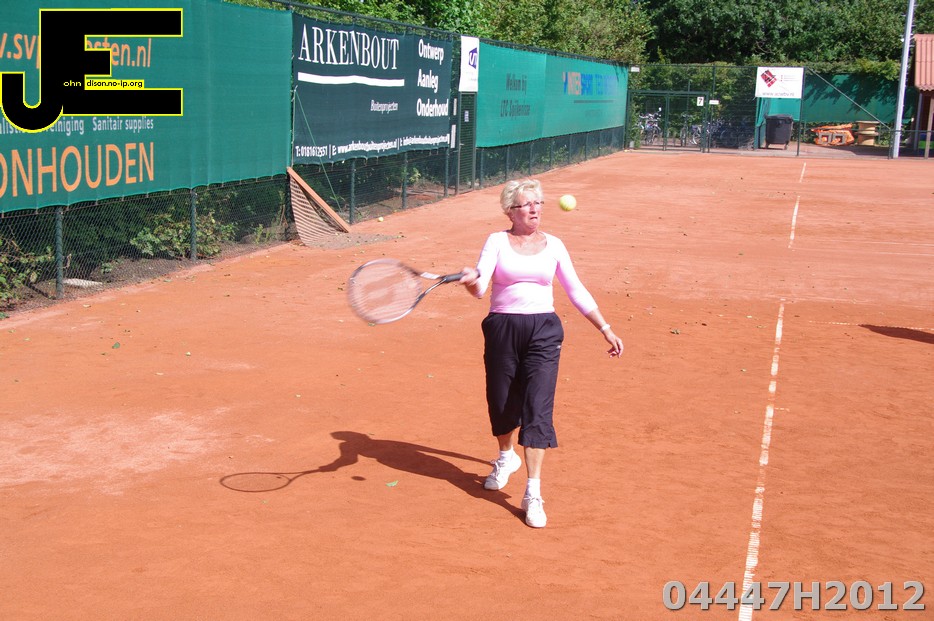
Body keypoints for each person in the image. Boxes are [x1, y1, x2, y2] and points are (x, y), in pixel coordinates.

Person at [459, 179, 623, 528]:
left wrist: (605, 328)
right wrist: (472, 279)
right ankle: (506, 457)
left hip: (543, 331)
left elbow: (575, 289)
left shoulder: (555, 246)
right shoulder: (496, 241)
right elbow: (480, 288)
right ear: (510, 211)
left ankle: (533, 491)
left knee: (538, 407)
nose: (535, 209)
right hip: (503, 328)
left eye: (539, 203)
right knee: (501, 402)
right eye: (527, 204)